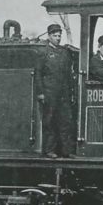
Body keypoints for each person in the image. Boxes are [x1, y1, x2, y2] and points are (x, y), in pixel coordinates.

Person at [35, 23, 75, 158]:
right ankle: (49, 150)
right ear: (49, 36)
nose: (58, 38)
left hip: (63, 94)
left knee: (65, 121)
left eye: (59, 36)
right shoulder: (43, 52)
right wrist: (40, 93)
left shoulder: (64, 53)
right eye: (55, 36)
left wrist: (71, 92)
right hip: (49, 93)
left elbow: (69, 74)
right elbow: (38, 74)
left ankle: (66, 151)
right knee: (50, 121)